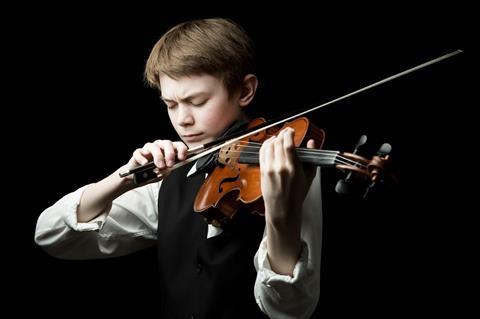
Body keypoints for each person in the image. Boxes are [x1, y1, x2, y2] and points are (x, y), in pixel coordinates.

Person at [34, 18, 322, 319]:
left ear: (245, 90)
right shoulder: (173, 175)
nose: (182, 119)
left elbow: (290, 310)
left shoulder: (286, 167)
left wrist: (281, 217)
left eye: (197, 101)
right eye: (171, 104)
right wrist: (124, 178)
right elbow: (52, 236)